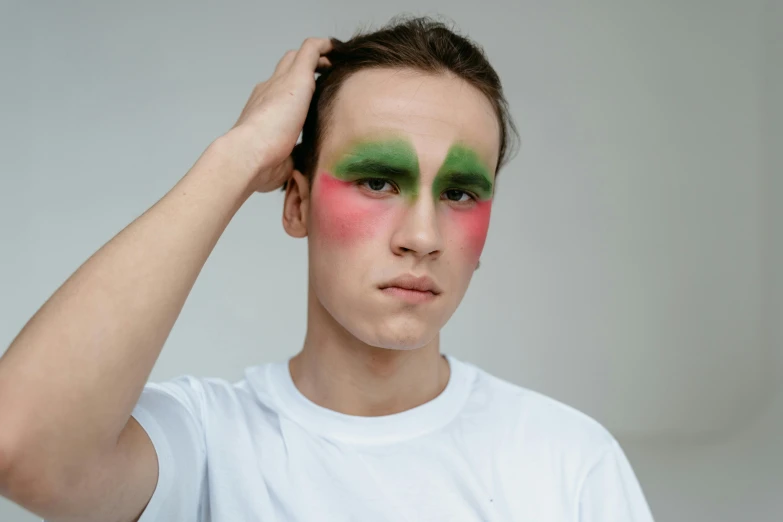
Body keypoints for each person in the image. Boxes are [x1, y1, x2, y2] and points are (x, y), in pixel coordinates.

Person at [0, 15, 655, 522]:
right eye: (376, 180)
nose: (421, 237)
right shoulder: (206, 445)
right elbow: (20, 442)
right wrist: (237, 156)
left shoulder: (565, 460)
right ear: (296, 202)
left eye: (457, 194)